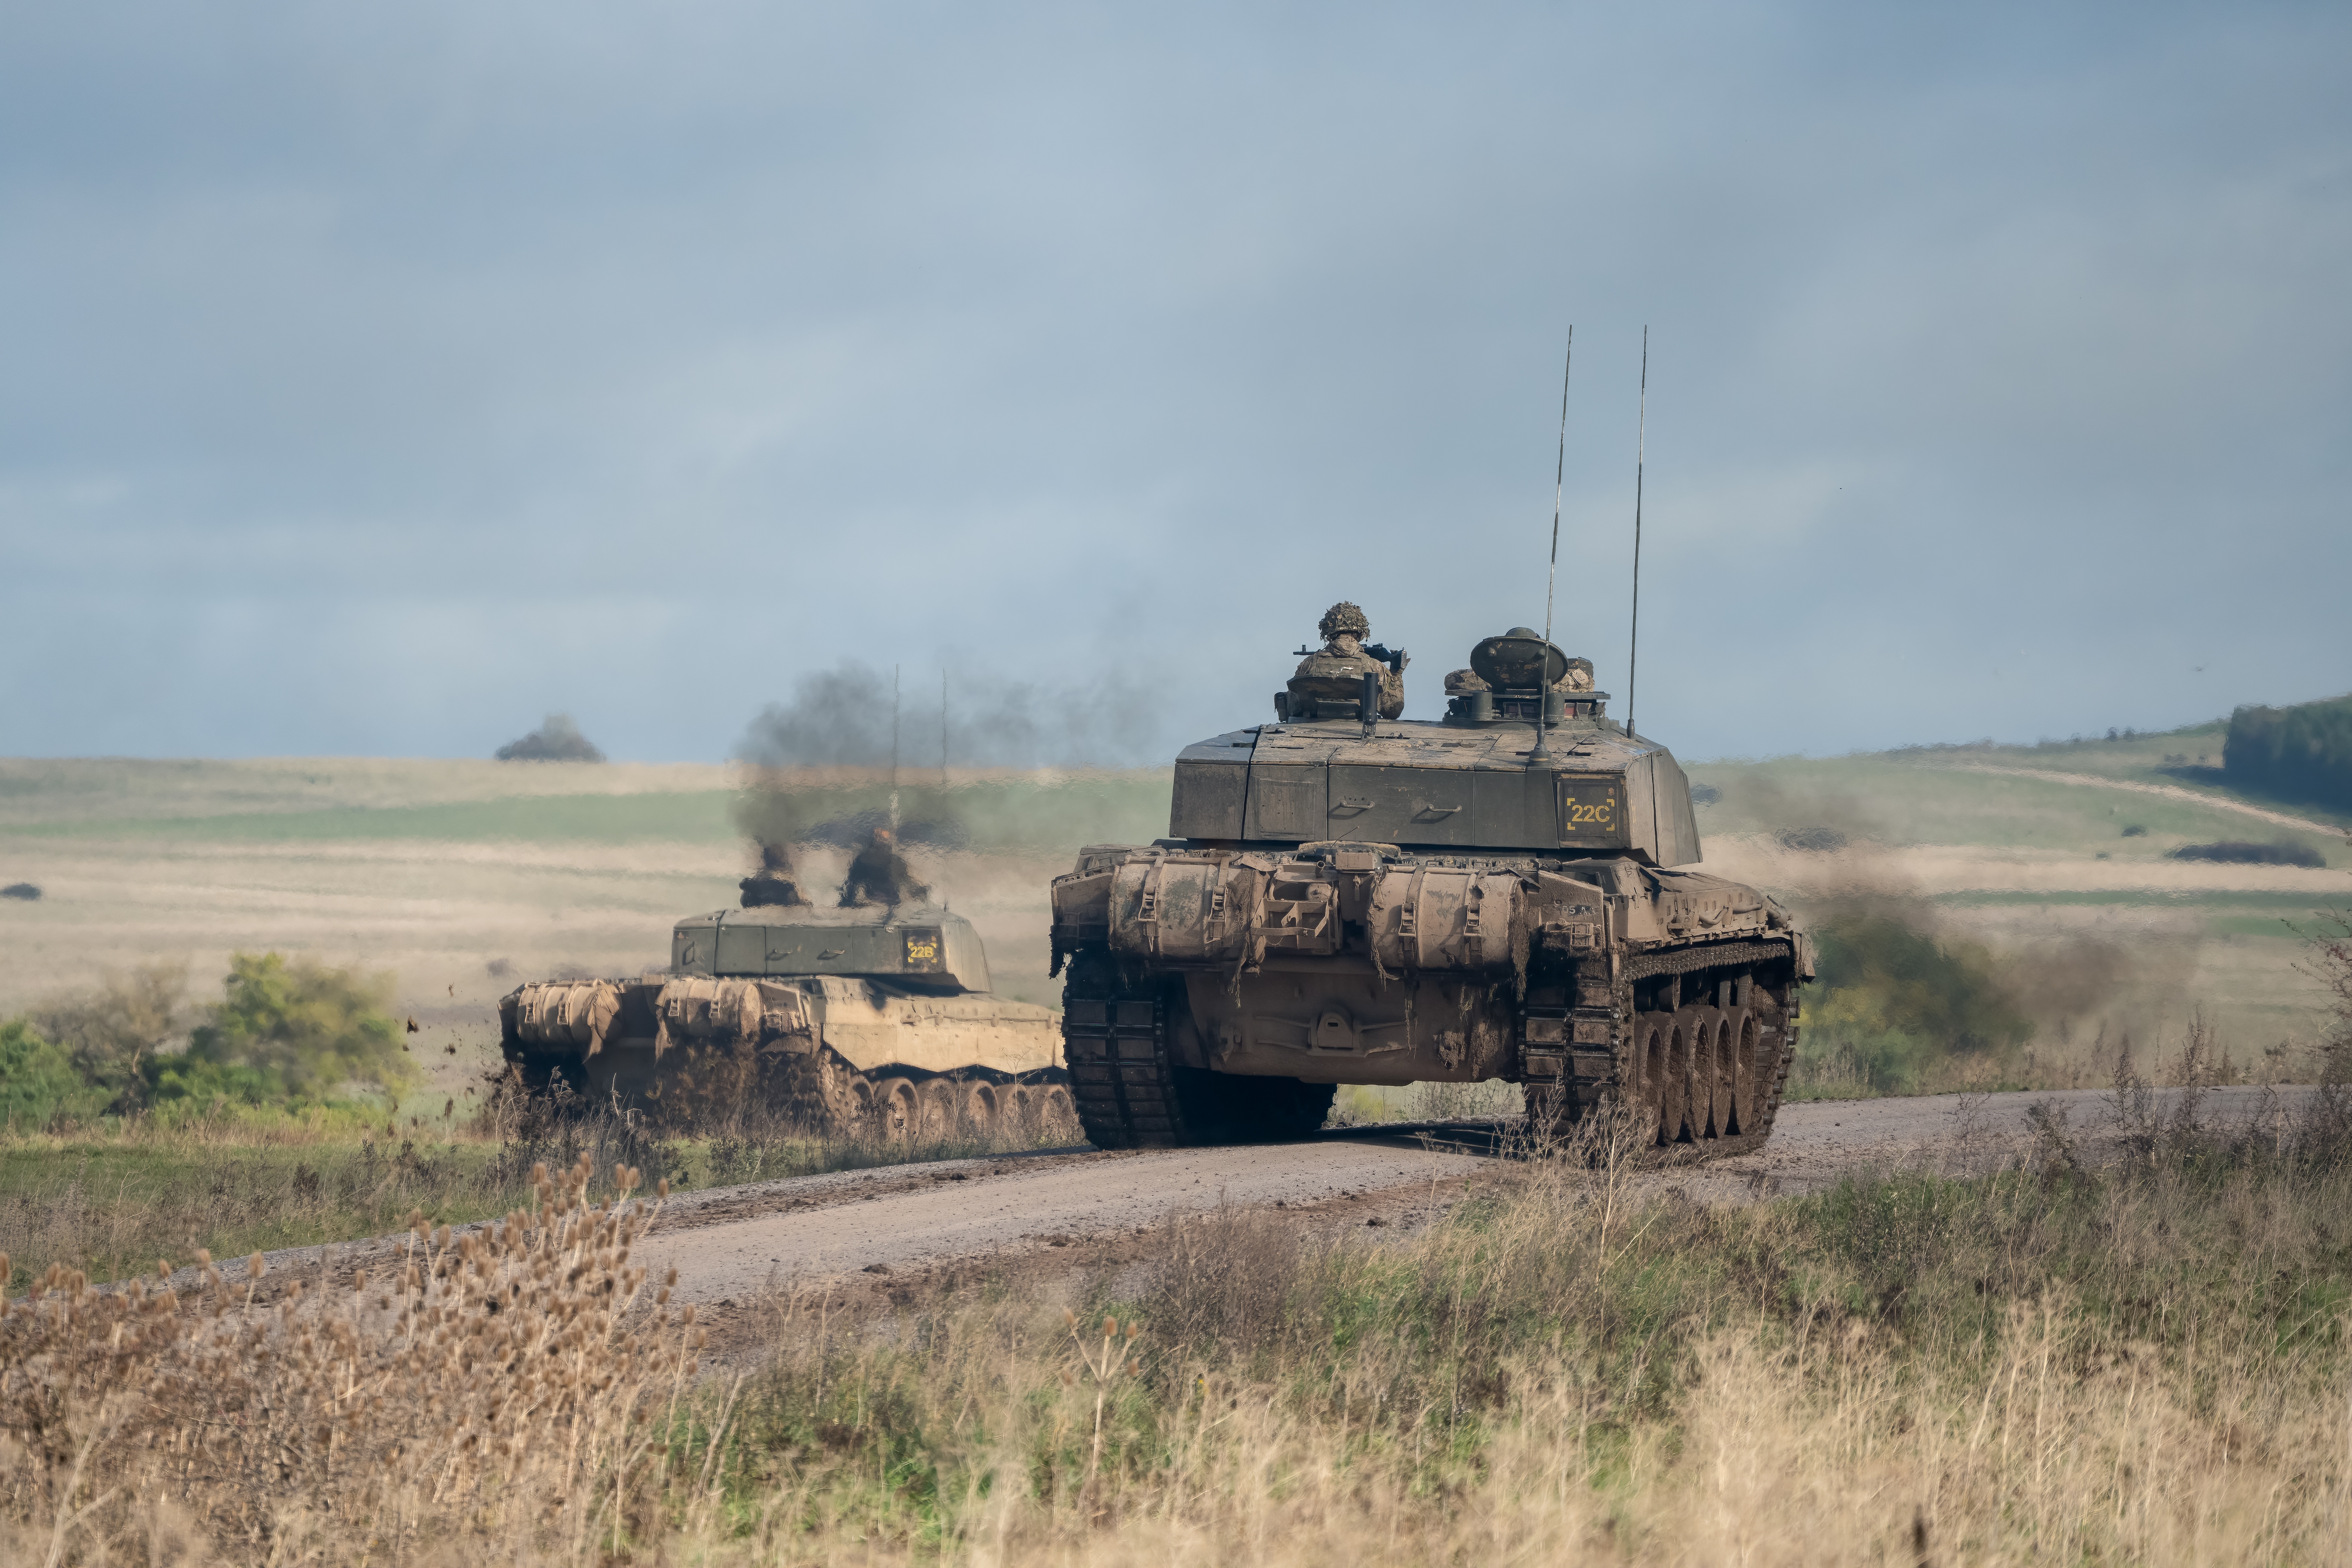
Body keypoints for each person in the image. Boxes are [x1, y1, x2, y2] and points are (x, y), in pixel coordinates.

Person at [1288, 601, 1407, 719]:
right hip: (1361, 730)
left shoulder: (1309, 664)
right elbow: (1393, 710)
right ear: (1360, 633)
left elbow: (1294, 706)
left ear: (1329, 634)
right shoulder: (1375, 667)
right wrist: (1396, 674)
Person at [840, 826, 930, 907]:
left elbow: (852, 882)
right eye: (884, 840)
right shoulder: (864, 860)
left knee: (912, 887)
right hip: (886, 899)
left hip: (888, 898)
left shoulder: (894, 860)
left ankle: (920, 896)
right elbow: (853, 882)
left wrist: (848, 902)